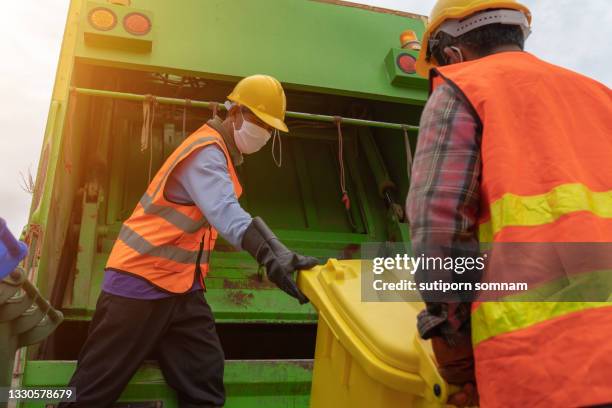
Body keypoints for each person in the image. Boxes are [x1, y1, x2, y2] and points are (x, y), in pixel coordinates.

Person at [60, 74, 318, 408]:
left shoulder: (219, 154)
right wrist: (272, 255)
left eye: (270, 128)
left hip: (181, 290)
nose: (265, 134)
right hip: (139, 284)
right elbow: (226, 212)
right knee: (90, 393)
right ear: (235, 113)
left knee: (204, 384)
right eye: (259, 122)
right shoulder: (206, 152)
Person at [407, 0, 612, 407]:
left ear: (451, 54)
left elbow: (439, 228)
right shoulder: (600, 96)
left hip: (541, 371)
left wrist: (454, 349)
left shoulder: (462, 87)